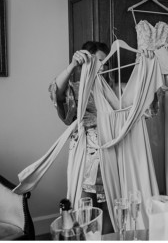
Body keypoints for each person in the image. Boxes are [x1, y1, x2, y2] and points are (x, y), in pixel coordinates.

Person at [49, 41, 114, 233]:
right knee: (86, 213)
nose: (102, 67)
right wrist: (72, 66)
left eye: (106, 62)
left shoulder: (116, 90)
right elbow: (56, 93)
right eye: (98, 62)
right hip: (86, 158)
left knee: (111, 212)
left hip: (112, 155)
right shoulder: (77, 89)